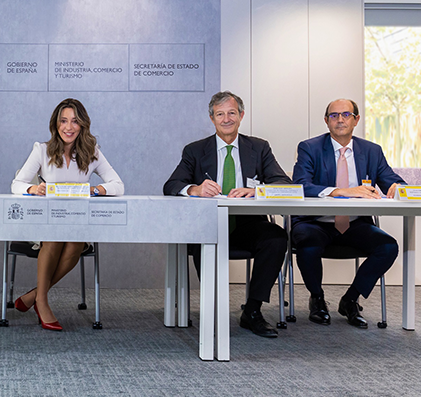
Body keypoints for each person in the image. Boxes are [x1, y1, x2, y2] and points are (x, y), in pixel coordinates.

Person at [163, 90, 291, 338]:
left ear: (241, 115)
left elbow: (283, 184)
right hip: (208, 224)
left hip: (248, 225)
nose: (226, 119)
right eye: (220, 114)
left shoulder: (259, 147)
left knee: (276, 238)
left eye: (232, 113)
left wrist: (258, 192)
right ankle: (213, 307)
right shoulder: (195, 150)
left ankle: (252, 310)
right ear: (212, 118)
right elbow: (171, 185)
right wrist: (194, 189)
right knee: (203, 240)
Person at [11, 98, 124, 331]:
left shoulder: (92, 152)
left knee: (75, 242)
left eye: (75, 121)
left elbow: (118, 185)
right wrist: (32, 188)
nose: (68, 127)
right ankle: (42, 301)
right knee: (53, 238)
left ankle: (35, 295)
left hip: (76, 224)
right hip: (45, 222)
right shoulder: (41, 150)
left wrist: (98, 189)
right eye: (63, 121)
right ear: (56, 124)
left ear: (82, 125)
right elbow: (17, 184)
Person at [291, 98, 404, 329]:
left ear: (356, 120)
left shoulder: (372, 151)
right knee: (307, 242)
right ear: (326, 121)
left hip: (355, 224)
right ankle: (317, 299)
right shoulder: (309, 148)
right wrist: (341, 191)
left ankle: (350, 299)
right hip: (316, 223)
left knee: (388, 247)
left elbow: (392, 181)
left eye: (346, 114)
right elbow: (300, 185)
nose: (340, 119)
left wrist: (397, 189)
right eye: (334, 115)